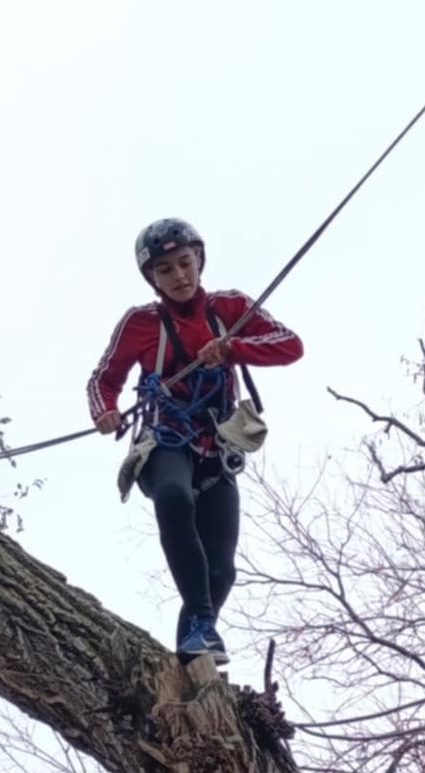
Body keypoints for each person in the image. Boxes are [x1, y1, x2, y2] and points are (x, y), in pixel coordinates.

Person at [87, 218, 302, 664]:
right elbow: (103, 379)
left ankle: (193, 644)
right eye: (165, 270)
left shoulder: (229, 308)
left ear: (199, 260)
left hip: (216, 448)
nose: (179, 276)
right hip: (166, 438)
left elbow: (290, 345)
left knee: (222, 567)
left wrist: (232, 348)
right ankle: (203, 625)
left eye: (185, 263)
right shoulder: (141, 323)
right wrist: (104, 411)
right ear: (152, 278)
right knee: (173, 497)